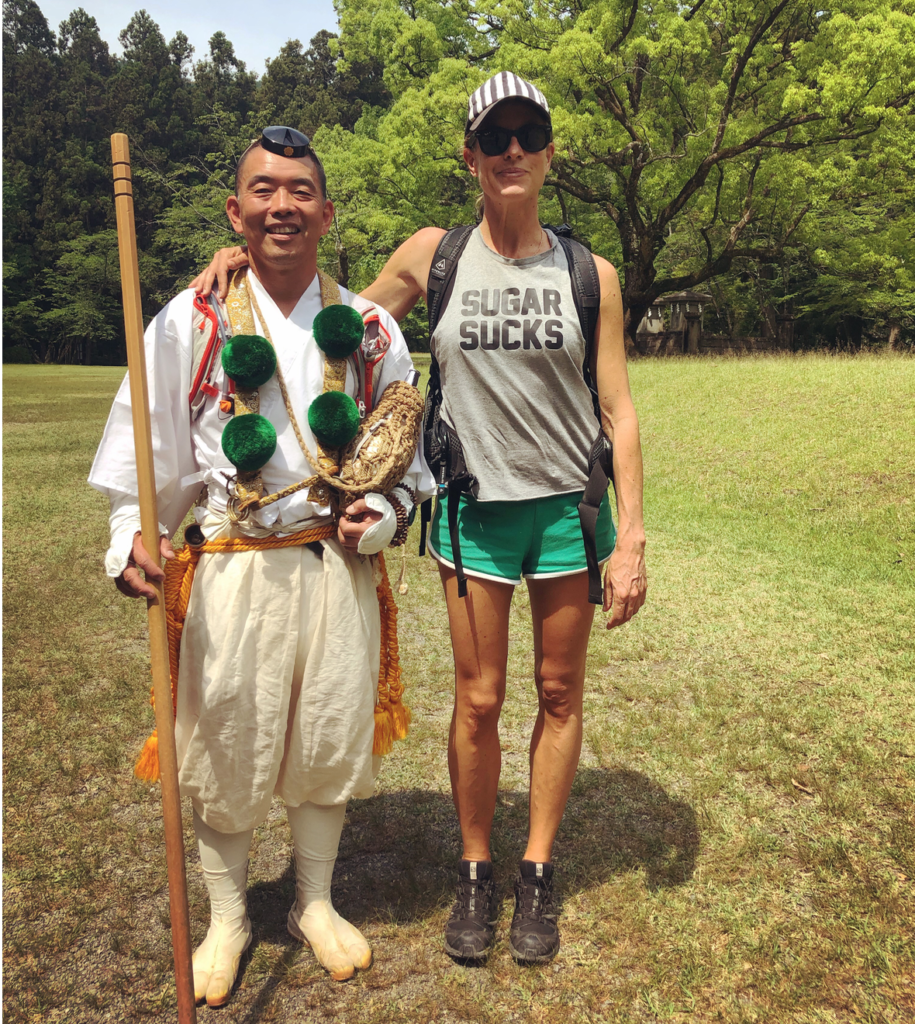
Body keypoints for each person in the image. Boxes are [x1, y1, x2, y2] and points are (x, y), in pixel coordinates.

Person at [195, 73, 647, 965]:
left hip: (565, 511)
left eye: (528, 133)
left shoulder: (588, 273)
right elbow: (337, 329)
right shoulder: (432, 256)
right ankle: (476, 871)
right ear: (471, 155)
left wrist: (629, 536)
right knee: (478, 700)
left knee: (558, 694)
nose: (511, 149)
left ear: (548, 151)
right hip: (472, 511)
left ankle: (538, 870)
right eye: (494, 136)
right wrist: (247, 265)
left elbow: (618, 409)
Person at [90, 126, 434, 1006]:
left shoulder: (369, 327)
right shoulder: (191, 319)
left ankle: (313, 903)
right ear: (235, 209)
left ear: (325, 211)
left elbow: (408, 459)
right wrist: (134, 527)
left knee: (324, 736)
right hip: (230, 568)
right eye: (264, 190)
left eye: (300, 191)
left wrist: (385, 513)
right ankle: (228, 917)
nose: (283, 205)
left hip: (332, 567)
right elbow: (153, 444)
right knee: (228, 743)